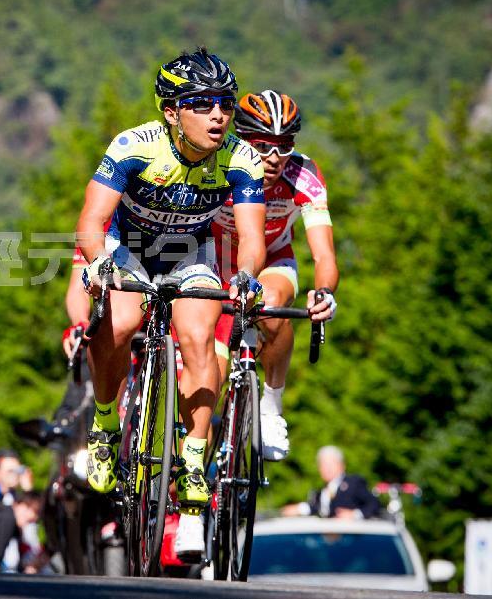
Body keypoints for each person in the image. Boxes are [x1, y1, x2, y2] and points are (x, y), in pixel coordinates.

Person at [75, 49, 266, 556]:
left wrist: (246, 276)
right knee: (117, 324)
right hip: (129, 246)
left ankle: (195, 456)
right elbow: (91, 221)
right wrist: (98, 264)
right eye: (202, 104)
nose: (218, 116)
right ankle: (103, 423)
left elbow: (250, 237)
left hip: (190, 250)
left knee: (202, 335)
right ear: (171, 111)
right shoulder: (134, 146)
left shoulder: (240, 157)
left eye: (224, 104)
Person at [211, 90, 339, 461]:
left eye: (284, 146)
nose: (273, 158)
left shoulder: (304, 174)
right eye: (263, 145)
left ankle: (270, 404)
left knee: (269, 305)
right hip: (215, 261)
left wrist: (324, 291)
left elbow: (324, 254)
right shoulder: (217, 164)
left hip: (272, 260)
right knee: (212, 371)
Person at [282, 445, 381, 520]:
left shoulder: (354, 483)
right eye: (323, 465)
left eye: (331, 464)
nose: (327, 469)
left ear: (342, 465)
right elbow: (316, 507)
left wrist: (355, 514)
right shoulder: (321, 491)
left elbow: (374, 503)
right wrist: (298, 509)